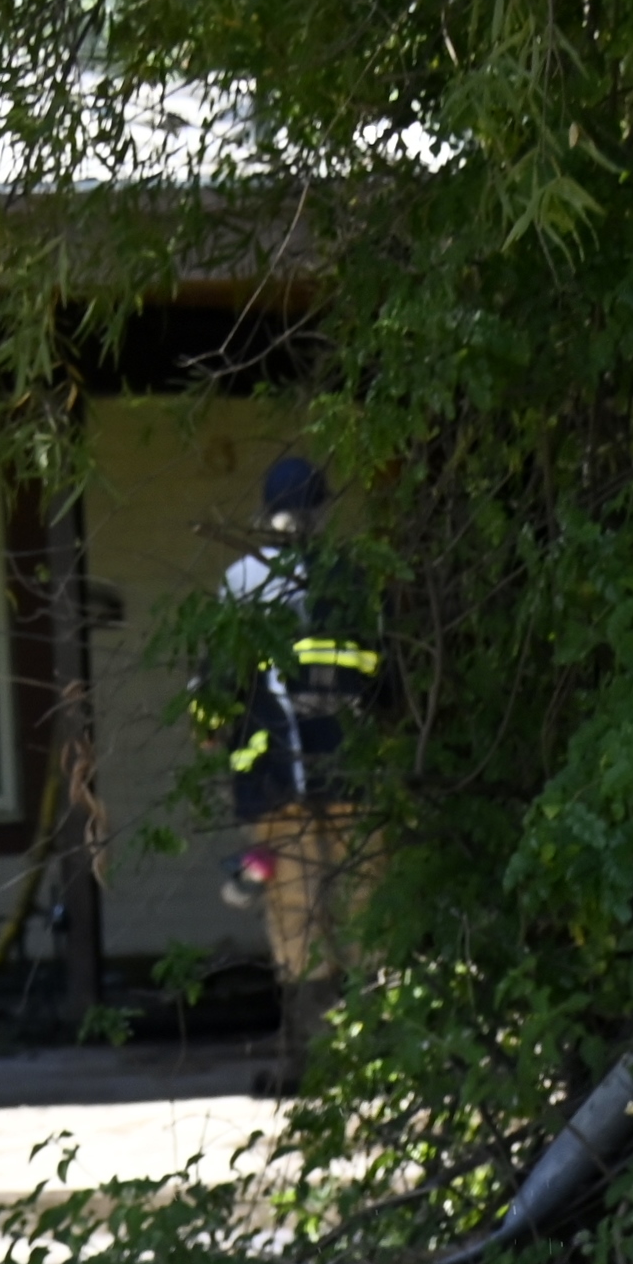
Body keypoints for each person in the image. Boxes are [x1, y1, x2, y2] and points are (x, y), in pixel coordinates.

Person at [211, 454, 377, 1060]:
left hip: (274, 782)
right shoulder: (351, 580)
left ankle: (315, 1052)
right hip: (352, 773)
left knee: (295, 915)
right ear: (322, 512)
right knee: (364, 907)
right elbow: (383, 682)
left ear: (266, 513)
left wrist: (216, 738)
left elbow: (215, 687)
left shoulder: (241, 580)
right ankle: (374, 1048)